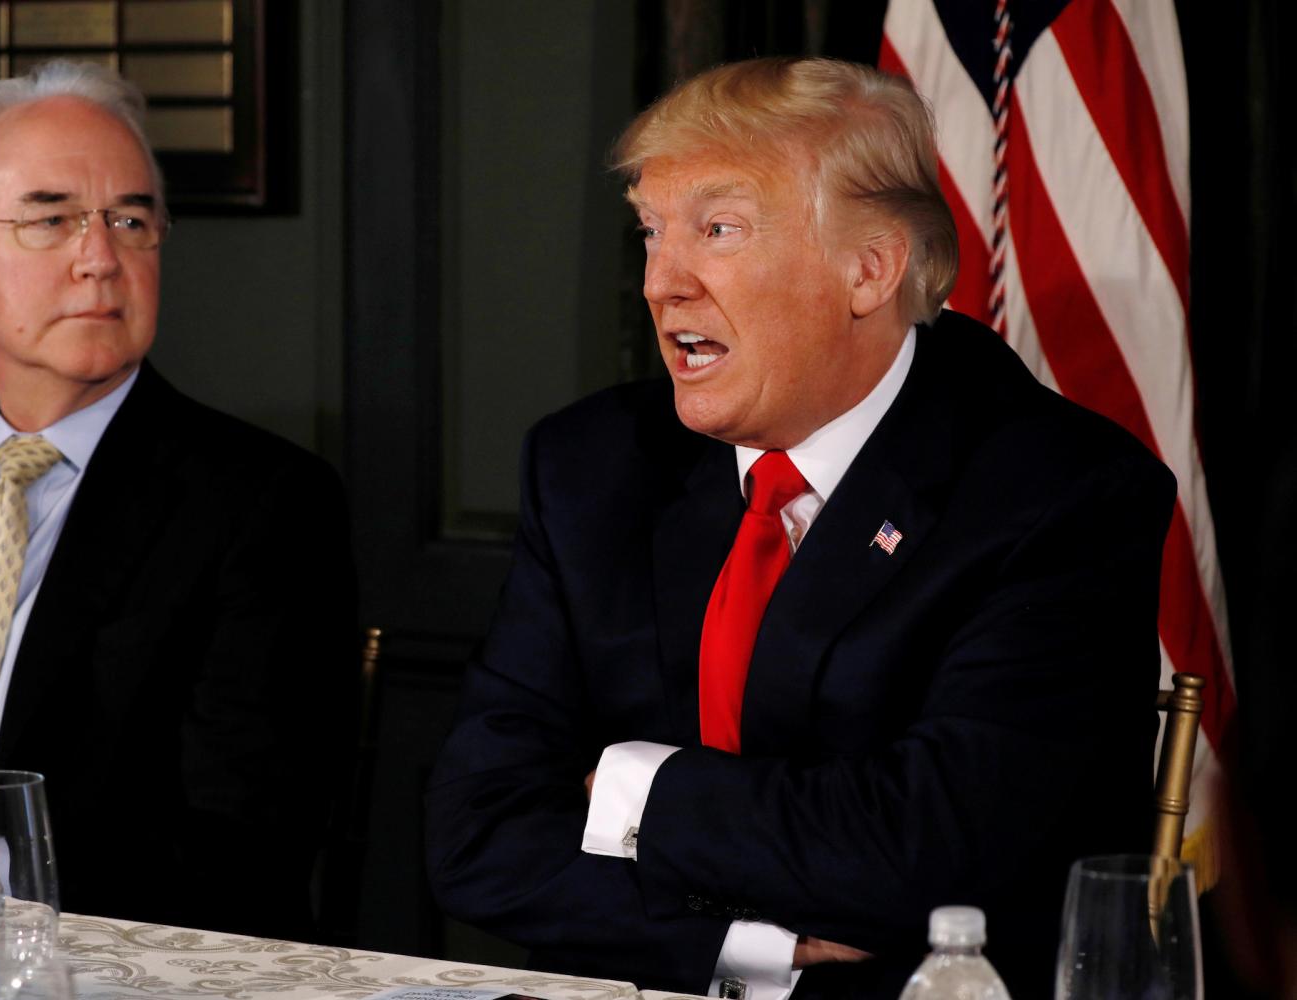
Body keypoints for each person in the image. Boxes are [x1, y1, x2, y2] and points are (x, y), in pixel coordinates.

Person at [425, 57, 1174, 1000]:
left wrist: (627, 790)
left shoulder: (1061, 494)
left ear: (869, 268)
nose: (662, 285)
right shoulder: (591, 465)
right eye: (653, 233)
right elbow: (475, 834)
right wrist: (755, 939)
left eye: (719, 229)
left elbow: (928, 853)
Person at [0, 61, 355, 941]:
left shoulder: (263, 506)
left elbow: (245, 856)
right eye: (51, 219)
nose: (100, 259)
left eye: (131, 220)